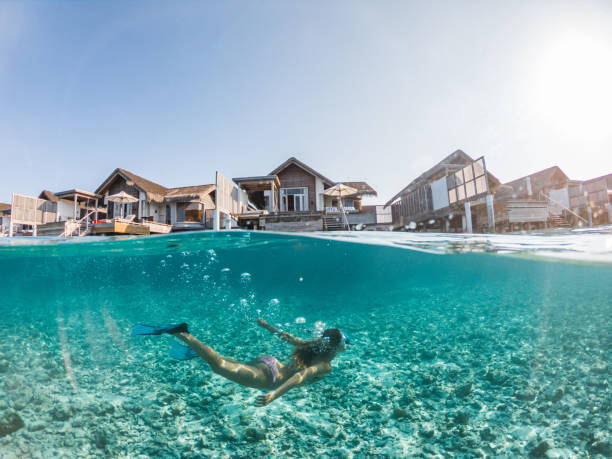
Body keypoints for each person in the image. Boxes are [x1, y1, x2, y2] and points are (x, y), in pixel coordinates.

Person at [131, 319, 349, 406]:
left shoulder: (311, 346)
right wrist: (273, 395)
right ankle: (184, 335)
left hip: (268, 362)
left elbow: (288, 337)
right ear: (338, 349)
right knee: (218, 366)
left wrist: (268, 327)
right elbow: (300, 377)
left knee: (227, 362)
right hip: (270, 379)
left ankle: (197, 350)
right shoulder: (325, 365)